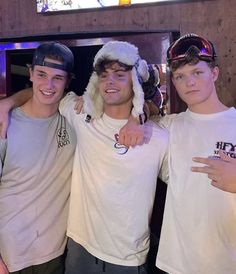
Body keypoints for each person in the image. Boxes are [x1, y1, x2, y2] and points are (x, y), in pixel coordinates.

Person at [59, 41, 168, 274]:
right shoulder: (81, 116)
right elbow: (48, 95)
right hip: (80, 249)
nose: (110, 81)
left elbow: (185, 183)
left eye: (120, 75)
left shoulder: (158, 137)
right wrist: (8, 101)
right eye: (104, 75)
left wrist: (143, 112)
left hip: (128, 258)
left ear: (135, 83)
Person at [155, 33, 236, 274]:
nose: (189, 82)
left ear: (214, 73)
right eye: (180, 76)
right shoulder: (168, 126)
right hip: (176, 264)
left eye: (197, 73)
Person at [0, 42, 76, 274]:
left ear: (68, 81)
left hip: (55, 254)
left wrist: (139, 115)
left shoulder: (74, 120)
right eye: (41, 74)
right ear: (31, 73)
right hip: (9, 255)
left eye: (58, 78)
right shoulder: (5, 123)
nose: (49, 85)